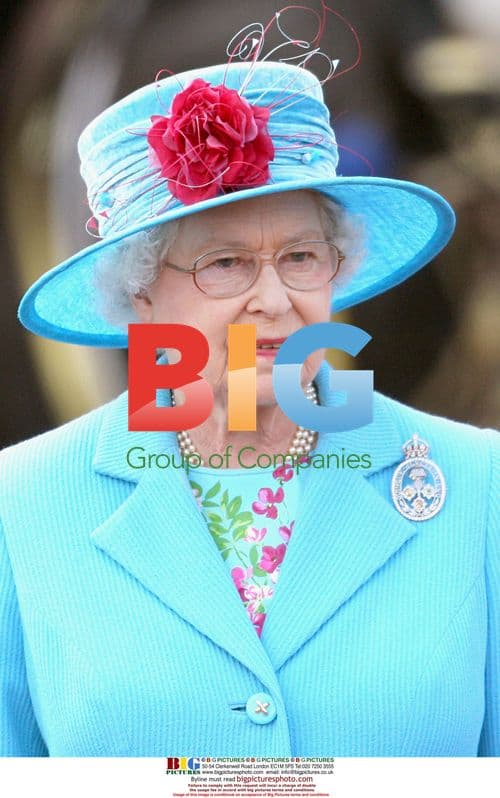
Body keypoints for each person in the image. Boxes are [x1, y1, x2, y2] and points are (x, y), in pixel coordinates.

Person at [0, 56, 498, 758]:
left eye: (300, 257)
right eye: (225, 262)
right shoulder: (21, 504)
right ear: (139, 295)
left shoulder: (477, 484)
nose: (272, 299)